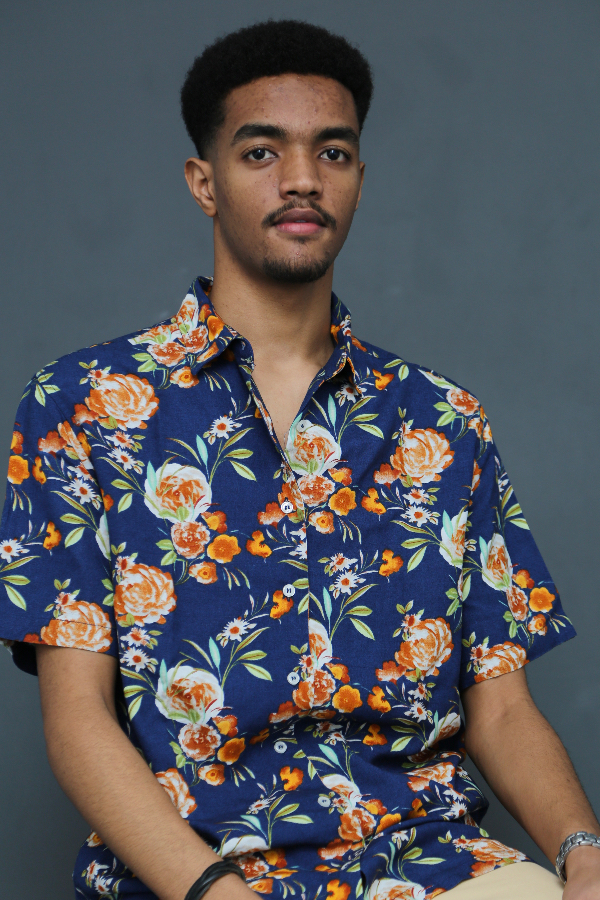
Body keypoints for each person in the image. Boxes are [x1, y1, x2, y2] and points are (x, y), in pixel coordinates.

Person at [0, 18, 598, 900]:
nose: (302, 178)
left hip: (428, 865)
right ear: (203, 182)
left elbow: (502, 709)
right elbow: (77, 721)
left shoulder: (443, 421)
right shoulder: (81, 407)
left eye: (333, 152)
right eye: (261, 152)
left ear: (358, 177)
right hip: (196, 874)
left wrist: (583, 851)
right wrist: (214, 893)